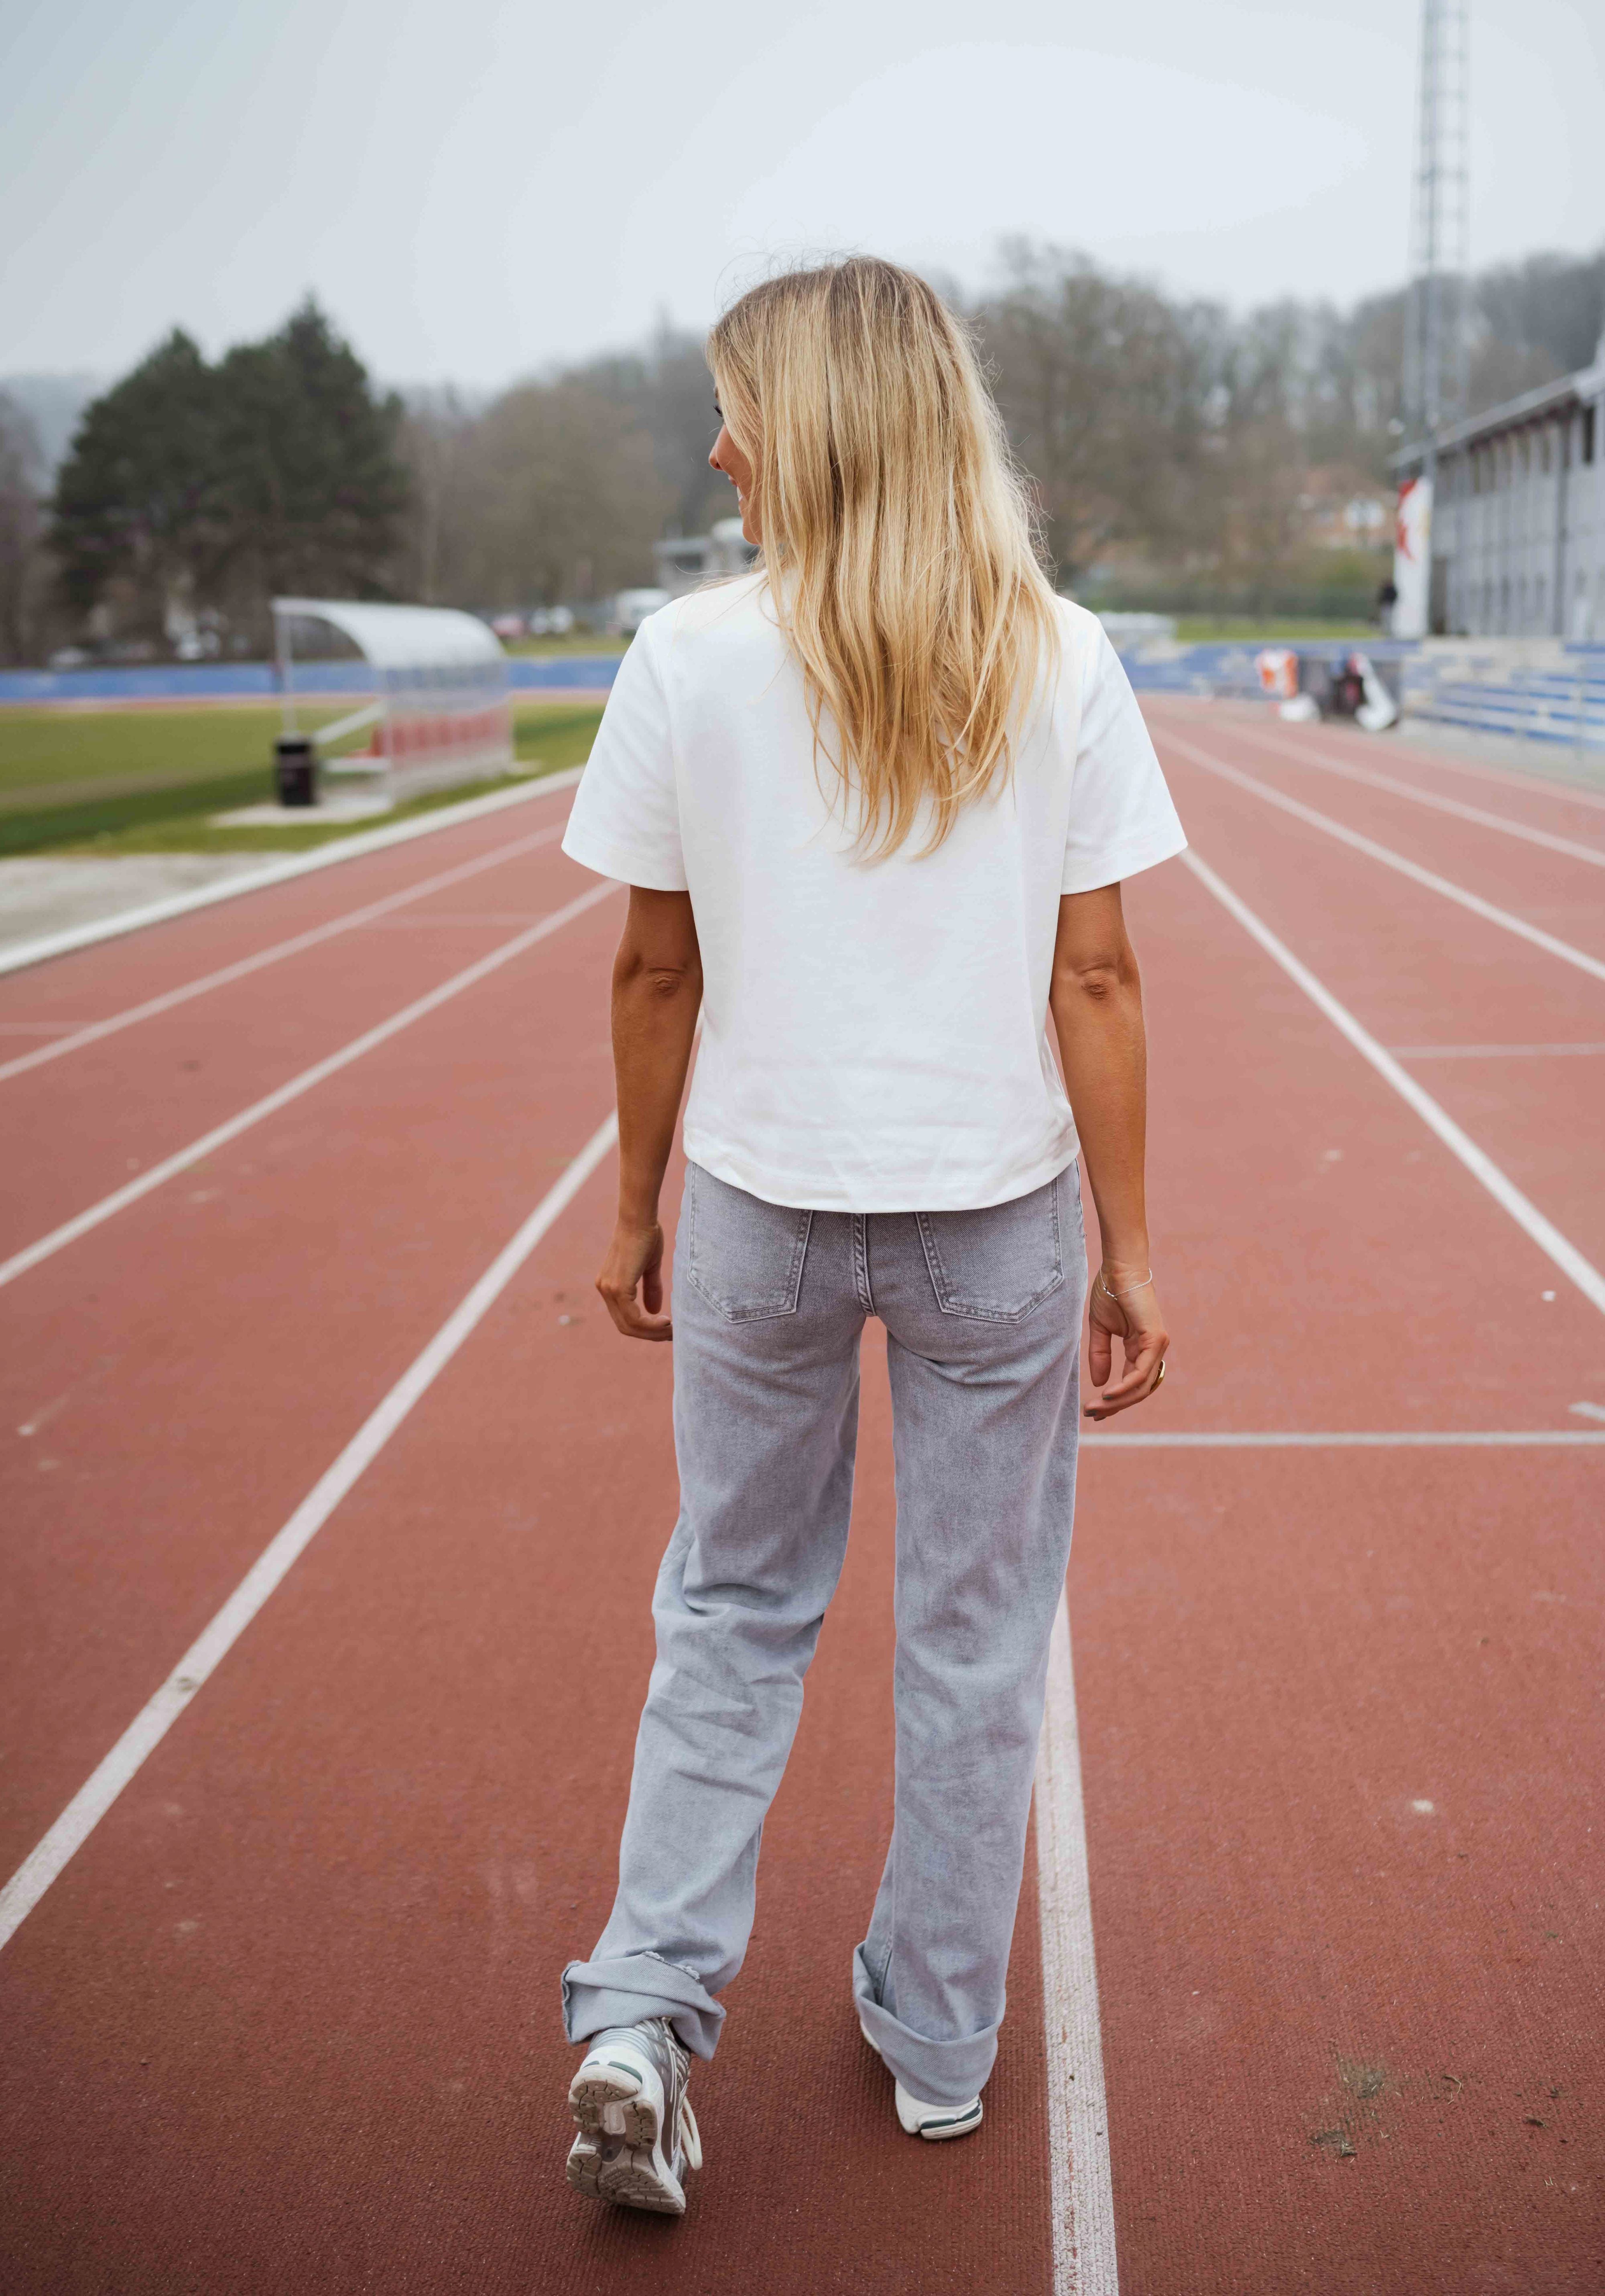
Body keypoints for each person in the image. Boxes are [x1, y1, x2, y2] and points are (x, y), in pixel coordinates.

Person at [557, 257, 1183, 2215]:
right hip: (991, 1221)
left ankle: (644, 2021)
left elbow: (654, 969)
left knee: (730, 1617)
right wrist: (1134, 1247)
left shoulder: (686, 654)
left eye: (735, 407)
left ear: (811, 427)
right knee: (976, 1637)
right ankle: (935, 2046)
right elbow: (1100, 977)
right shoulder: (1057, 650)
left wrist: (635, 1198)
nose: (717, 444)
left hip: (758, 1201)